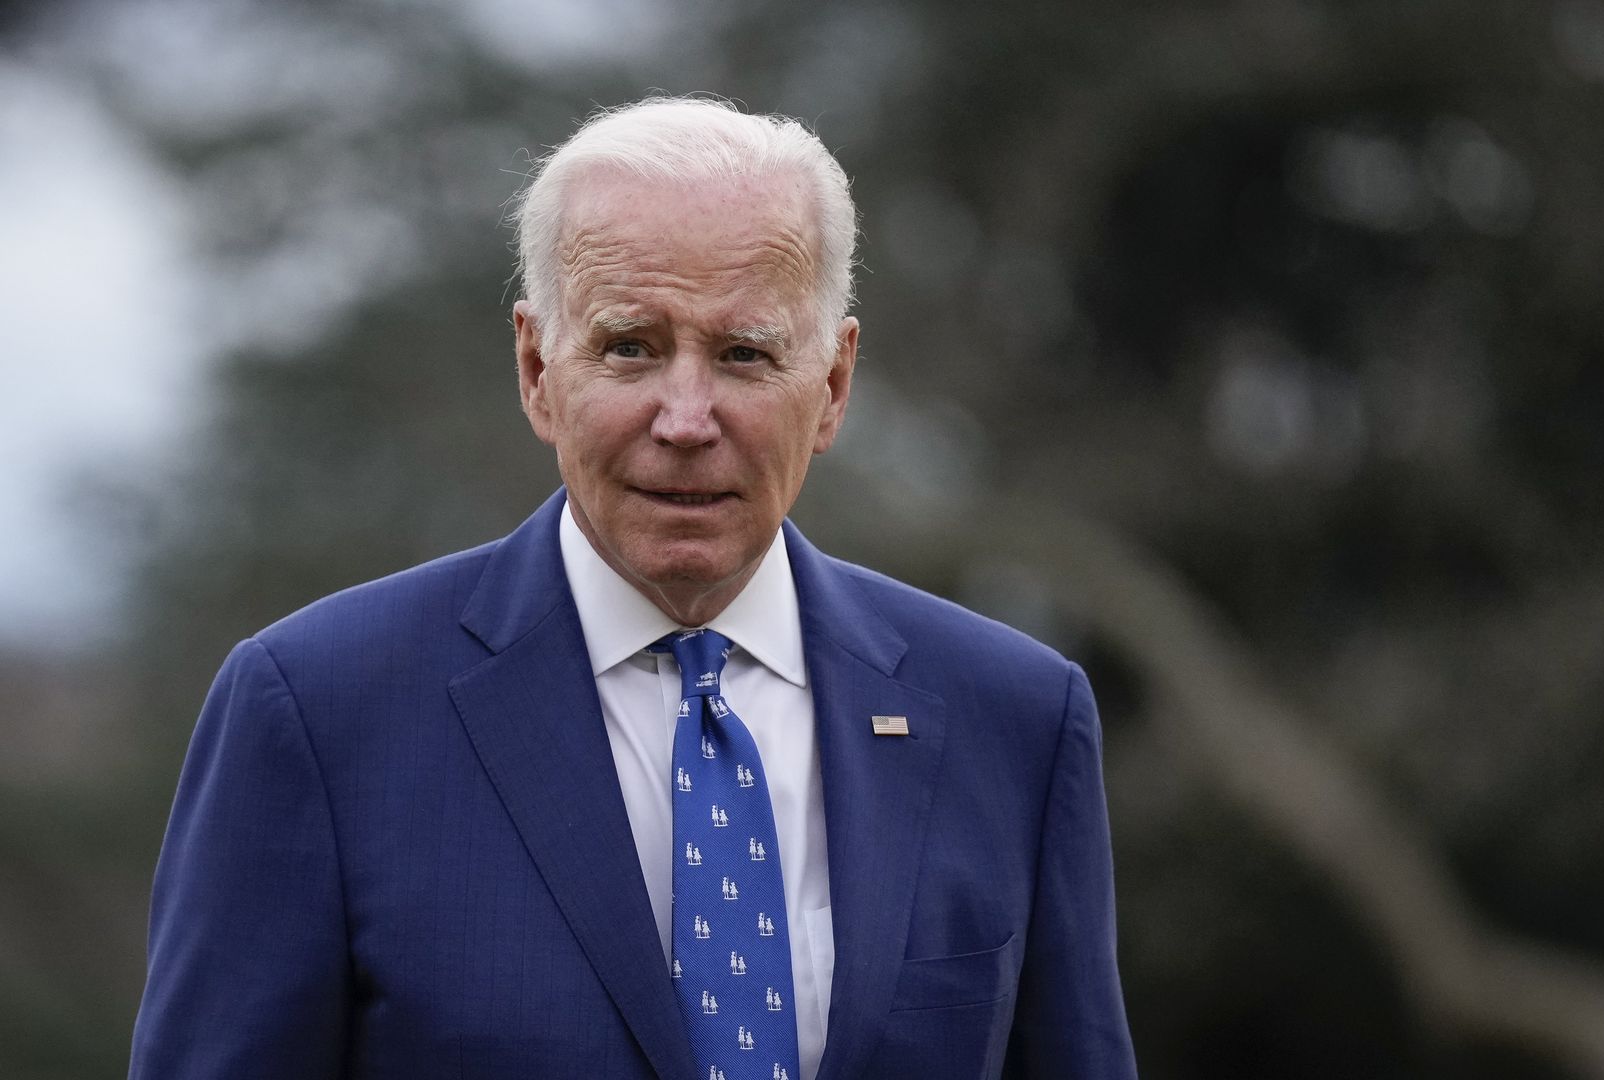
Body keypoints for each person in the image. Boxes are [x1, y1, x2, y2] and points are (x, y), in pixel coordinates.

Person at [128, 97, 1135, 1080]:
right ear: (536, 369)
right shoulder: (316, 712)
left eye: (744, 354)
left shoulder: (1013, 719)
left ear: (832, 385)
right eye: (630, 348)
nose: (686, 417)